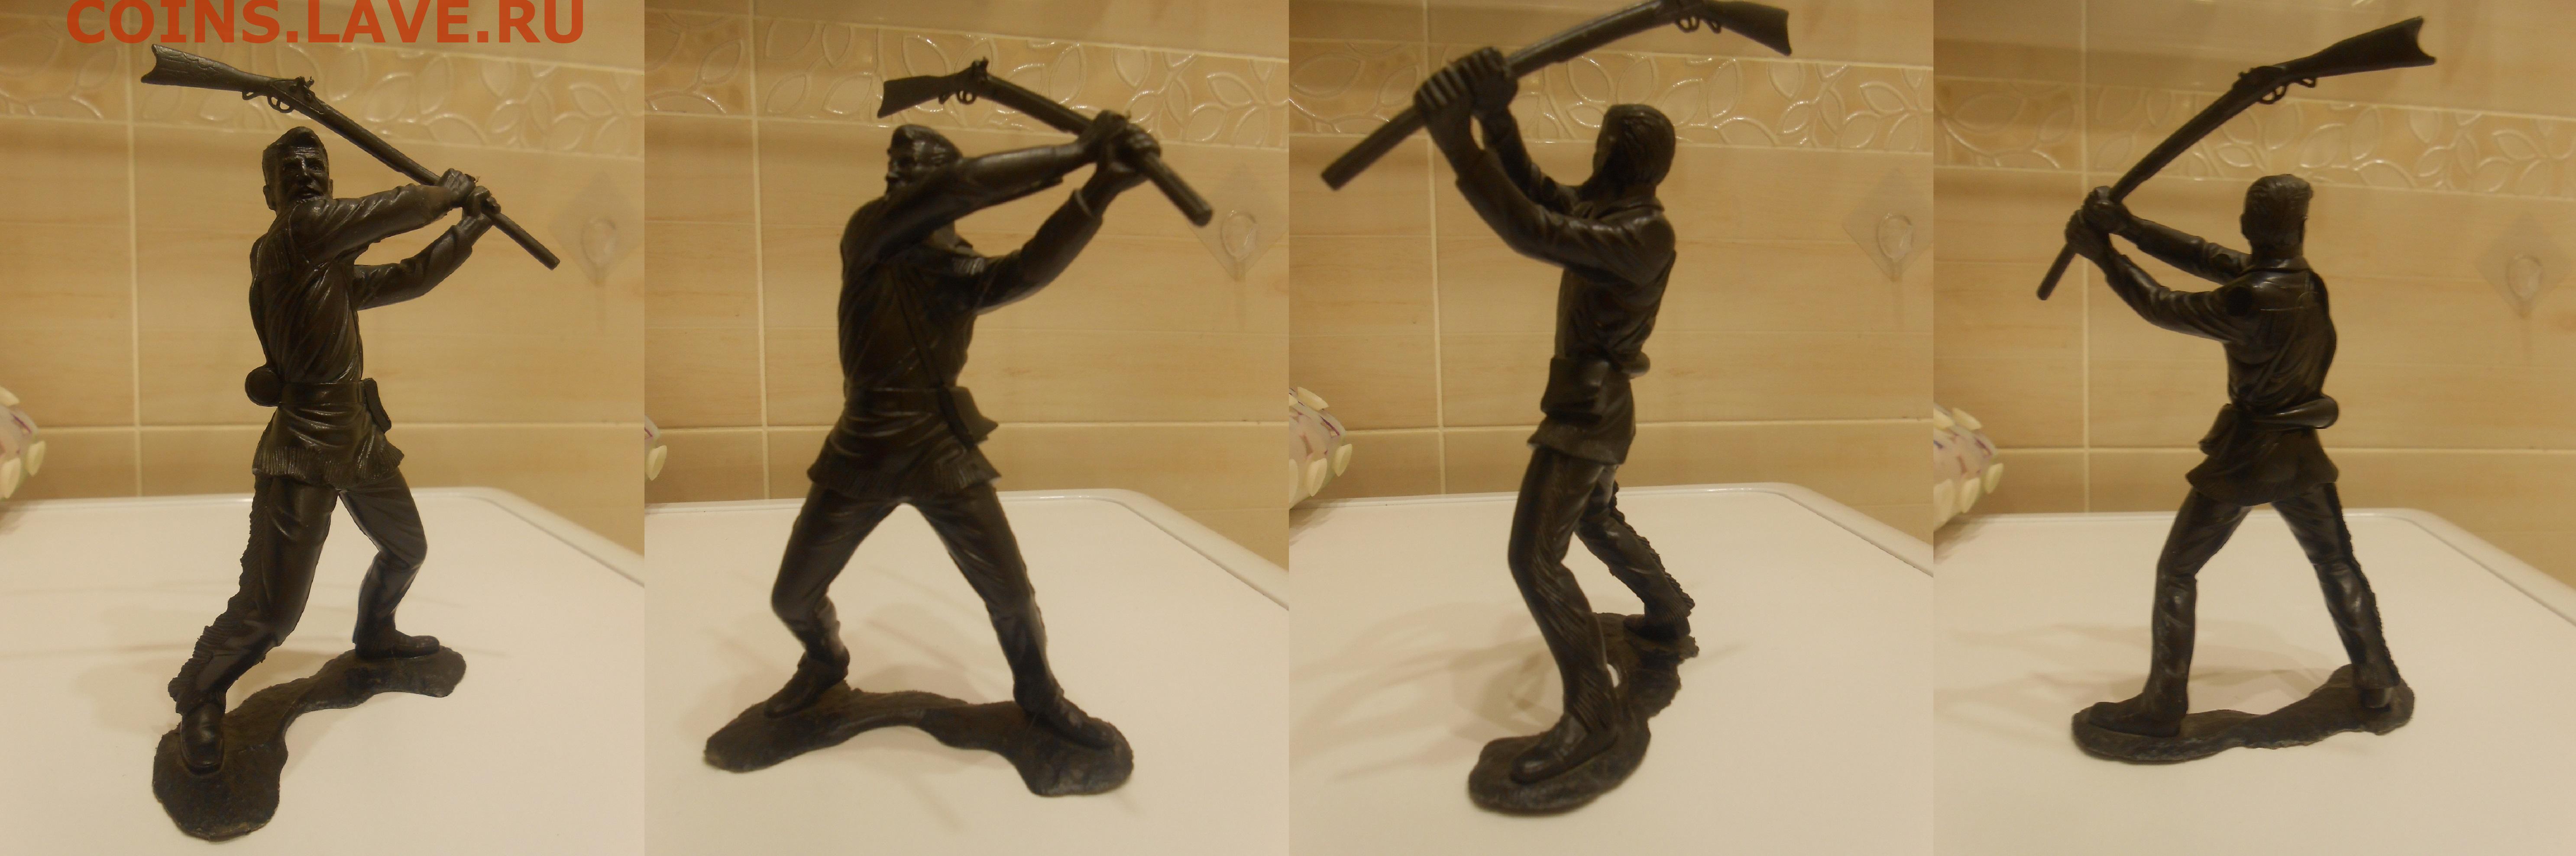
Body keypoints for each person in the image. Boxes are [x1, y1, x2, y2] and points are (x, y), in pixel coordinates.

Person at [756, 116, 1161, 750]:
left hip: (939, 450)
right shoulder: (870, 235)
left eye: (914, 173)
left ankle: (1040, 697)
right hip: (861, 449)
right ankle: (824, 663)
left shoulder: (956, 271)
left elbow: (1029, 270)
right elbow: (961, 187)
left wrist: (1101, 187)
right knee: (791, 601)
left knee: (1012, 598)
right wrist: (1081, 150)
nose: (900, 183)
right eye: (895, 172)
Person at [168, 126, 497, 773]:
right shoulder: (293, 237)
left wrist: (471, 227)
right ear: (272, 194)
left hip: (357, 436)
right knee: (273, 611)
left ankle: (375, 635)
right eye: (291, 169)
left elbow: (410, 277)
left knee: (407, 549)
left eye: (315, 165)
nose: (306, 175)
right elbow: (387, 212)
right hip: (302, 444)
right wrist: (446, 193)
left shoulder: (326, 267)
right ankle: (200, 695)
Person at [1416, 48, 1696, 783]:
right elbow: (1540, 195)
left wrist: (1457, 145)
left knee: (1534, 559)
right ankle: (1667, 613)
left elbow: (1534, 230)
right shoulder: (1616, 213)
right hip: (1589, 403)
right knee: (1596, 518)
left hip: (1589, 412)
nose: (1593, 155)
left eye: (1602, 145)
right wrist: (1495, 121)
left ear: (1622, 157)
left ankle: (1593, 718)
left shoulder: (1645, 235)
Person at [2063, 176, 2403, 737]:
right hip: (2300, 453)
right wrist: (2127, 227)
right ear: (2302, 227)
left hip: (2249, 458)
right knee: (2336, 562)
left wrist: (2104, 254)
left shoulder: (2249, 297)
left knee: (2178, 571)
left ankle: (2163, 704)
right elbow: (2208, 258)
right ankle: (2377, 678)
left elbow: (2162, 305)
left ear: (2248, 225)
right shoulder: (2307, 284)